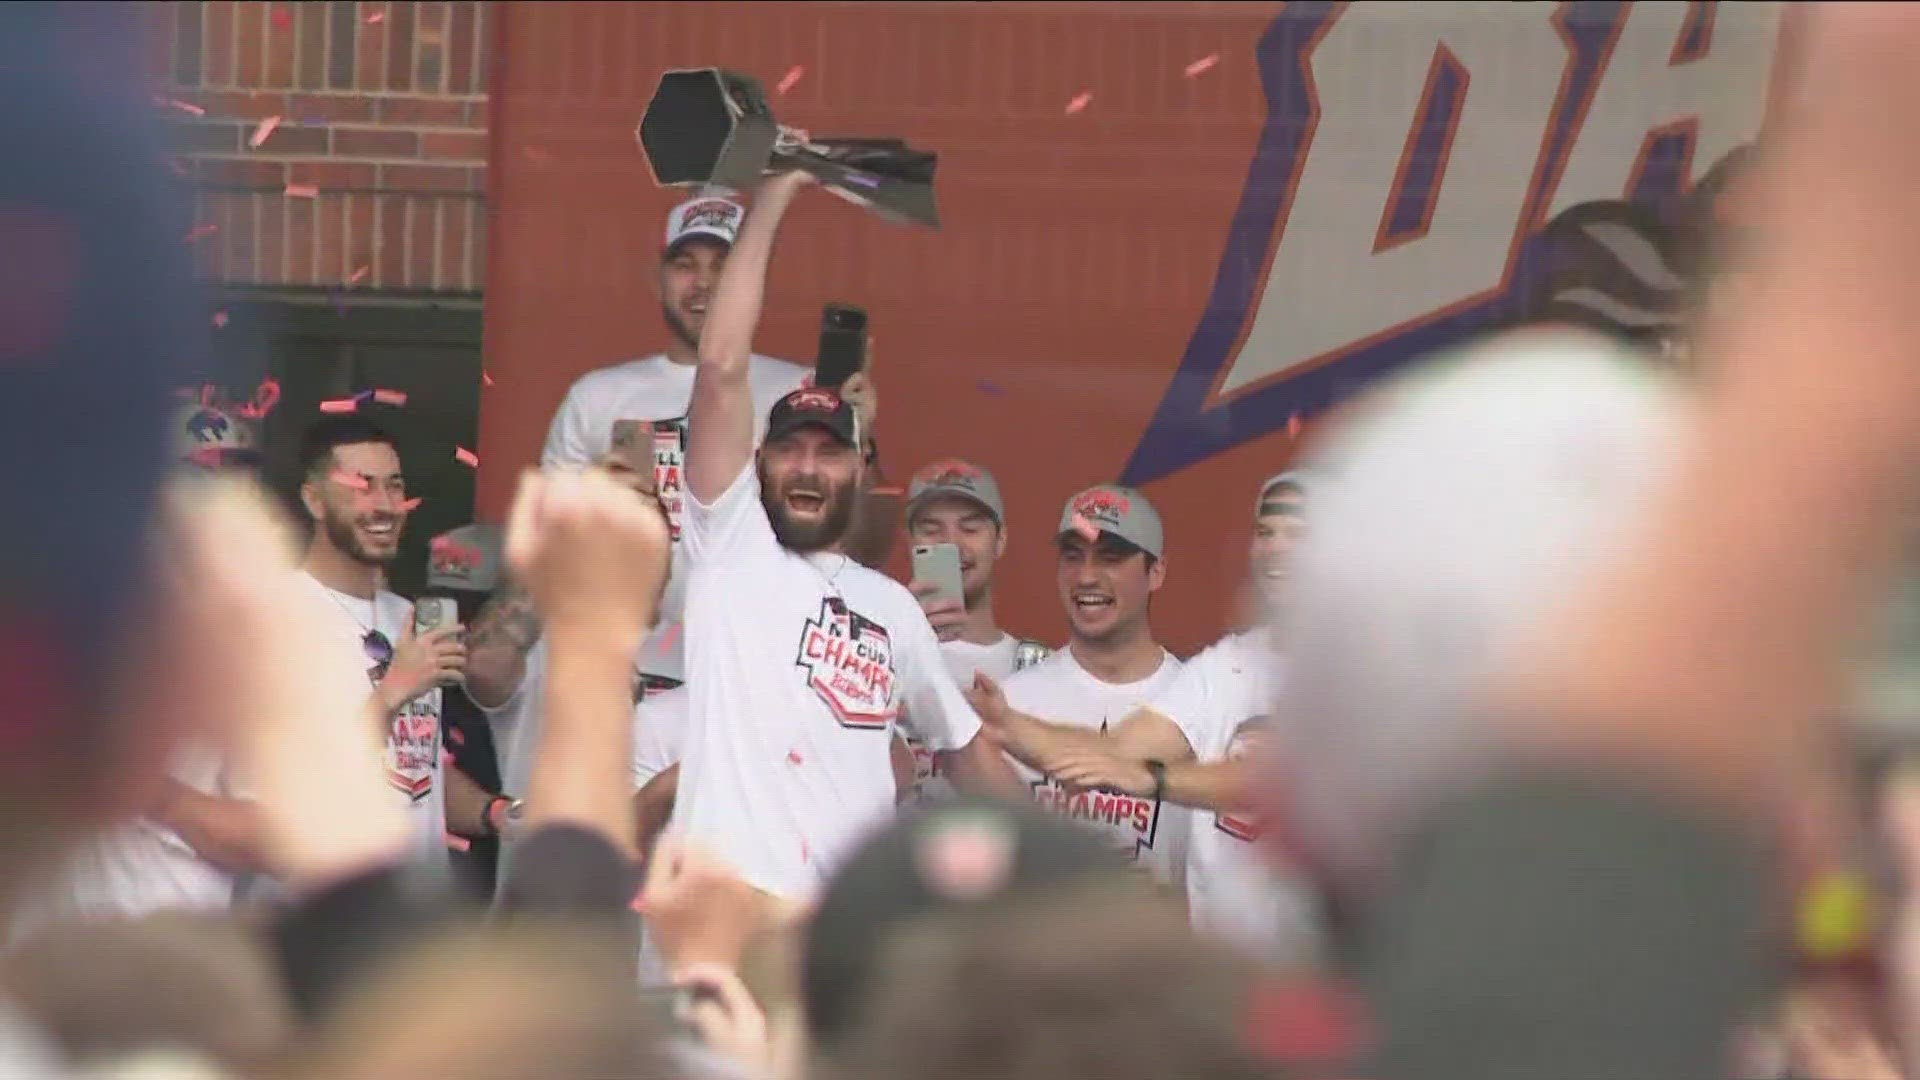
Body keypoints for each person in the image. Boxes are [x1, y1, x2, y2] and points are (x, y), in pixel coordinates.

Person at [674, 169, 1021, 902]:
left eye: (828, 451)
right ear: (757, 462)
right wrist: (772, 199)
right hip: (729, 917)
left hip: (840, 939)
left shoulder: (893, 608)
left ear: (862, 468)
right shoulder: (728, 545)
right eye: (788, 448)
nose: (806, 467)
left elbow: (962, 750)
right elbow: (719, 367)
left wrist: (1070, 874)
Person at [1026, 473, 1325, 968]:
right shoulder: (1223, 668)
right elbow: (1118, 754)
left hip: (1316, 985)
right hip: (1212, 985)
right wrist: (989, 721)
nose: (1087, 576)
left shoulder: (1369, 677)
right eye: (1266, 532)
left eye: (1112, 557)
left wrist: (1152, 778)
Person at [291, 415, 496, 872]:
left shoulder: (408, 617)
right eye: (362, 487)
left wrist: (498, 813)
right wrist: (390, 694)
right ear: (314, 499)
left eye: (394, 487)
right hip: (320, 921)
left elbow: (416, 773)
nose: (384, 505)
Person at [965, 485, 1188, 886]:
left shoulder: (1198, 705)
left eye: (1110, 559)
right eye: (1073, 557)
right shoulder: (1012, 704)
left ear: (1157, 571)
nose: (1086, 576)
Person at [900, 457, 1049, 804]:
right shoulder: (874, 652)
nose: (951, 544)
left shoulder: (1036, 667)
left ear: (1001, 540)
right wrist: (898, 638)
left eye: (970, 528)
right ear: (910, 541)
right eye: (931, 528)